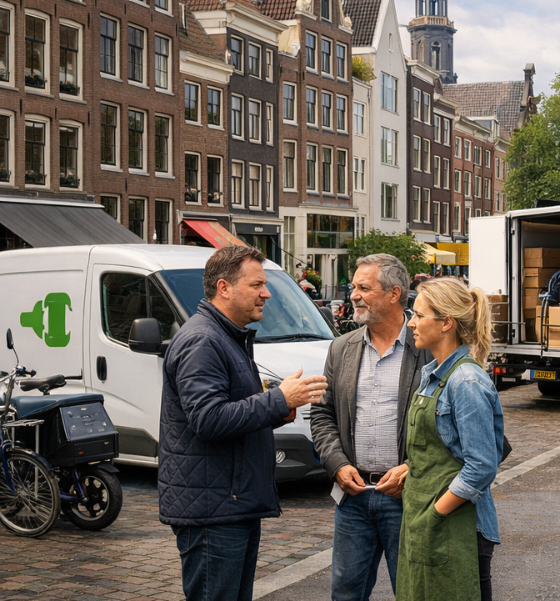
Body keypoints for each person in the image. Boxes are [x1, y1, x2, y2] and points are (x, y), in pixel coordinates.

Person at [159, 245, 328, 601]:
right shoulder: (204, 340)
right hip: (214, 511)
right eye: (256, 285)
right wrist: (279, 399)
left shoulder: (227, 336)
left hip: (230, 503)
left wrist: (279, 409)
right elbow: (208, 419)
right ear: (224, 288)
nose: (266, 293)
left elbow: (232, 412)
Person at [311, 255, 431, 601]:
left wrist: (413, 468)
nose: (354, 295)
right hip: (354, 496)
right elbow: (322, 415)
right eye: (353, 288)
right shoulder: (341, 349)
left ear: (395, 294)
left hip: (408, 498)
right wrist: (337, 464)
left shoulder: (427, 345)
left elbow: (451, 428)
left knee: (412, 592)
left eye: (364, 288)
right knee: (345, 592)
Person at [401, 277, 505, 601]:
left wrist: (435, 513)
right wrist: (408, 468)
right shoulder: (432, 375)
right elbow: (443, 449)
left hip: (458, 527)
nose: (411, 323)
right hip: (427, 524)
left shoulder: (465, 381)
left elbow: (482, 466)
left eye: (419, 315)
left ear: (446, 322)